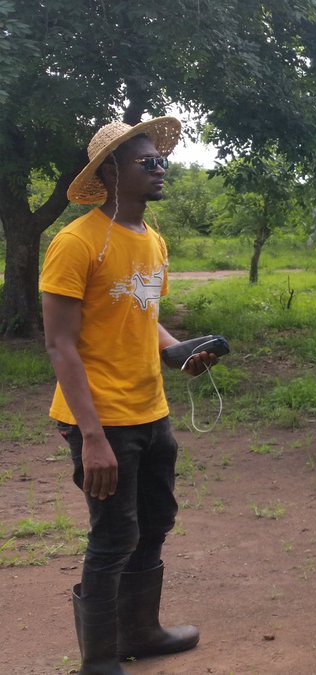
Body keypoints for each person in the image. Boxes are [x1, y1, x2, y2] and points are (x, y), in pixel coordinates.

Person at [41, 117, 218, 673]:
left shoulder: (153, 240)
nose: (161, 168)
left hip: (151, 411)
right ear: (112, 172)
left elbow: (146, 319)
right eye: (149, 162)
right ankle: (99, 659)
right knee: (114, 534)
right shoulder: (76, 242)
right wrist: (92, 437)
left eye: (162, 161)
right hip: (101, 419)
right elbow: (61, 346)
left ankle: (140, 630)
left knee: (156, 521)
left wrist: (177, 353)